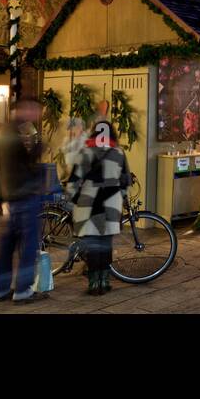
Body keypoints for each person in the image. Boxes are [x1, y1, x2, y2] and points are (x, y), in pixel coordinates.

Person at [66, 119, 130, 297]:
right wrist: (120, 197)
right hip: (111, 202)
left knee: (93, 245)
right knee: (106, 244)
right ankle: (105, 280)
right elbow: (125, 181)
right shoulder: (119, 152)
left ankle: (94, 283)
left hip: (89, 202)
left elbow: (73, 181)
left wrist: (75, 199)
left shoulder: (85, 152)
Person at [0, 98, 45, 303]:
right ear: (27, 110)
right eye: (37, 111)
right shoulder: (23, 131)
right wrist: (39, 142)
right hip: (25, 194)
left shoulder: (0, 132)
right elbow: (32, 158)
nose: (38, 115)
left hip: (9, 195)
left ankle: (1, 289)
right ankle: (23, 290)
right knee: (29, 244)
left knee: (7, 245)